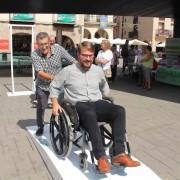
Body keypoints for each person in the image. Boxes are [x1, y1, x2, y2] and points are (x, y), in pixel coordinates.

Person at [50, 41, 140, 174]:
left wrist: (105, 97)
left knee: (119, 110)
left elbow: (105, 89)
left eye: (90, 56)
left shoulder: (98, 70)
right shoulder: (67, 71)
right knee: (89, 114)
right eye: (85, 55)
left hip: (97, 102)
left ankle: (119, 154)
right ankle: (101, 158)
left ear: (93, 56)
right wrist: (55, 103)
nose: (88, 58)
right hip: (79, 105)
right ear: (79, 55)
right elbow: (54, 86)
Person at [31, 32, 76, 136]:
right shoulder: (34, 54)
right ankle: (40, 126)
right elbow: (40, 72)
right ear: (37, 44)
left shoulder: (58, 49)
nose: (44, 46)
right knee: (42, 107)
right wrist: (55, 78)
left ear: (49, 42)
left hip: (58, 86)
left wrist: (81, 69)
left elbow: (72, 60)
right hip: (42, 86)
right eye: (41, 44)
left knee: (61, 105)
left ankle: (62, 125)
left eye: (46, 43)